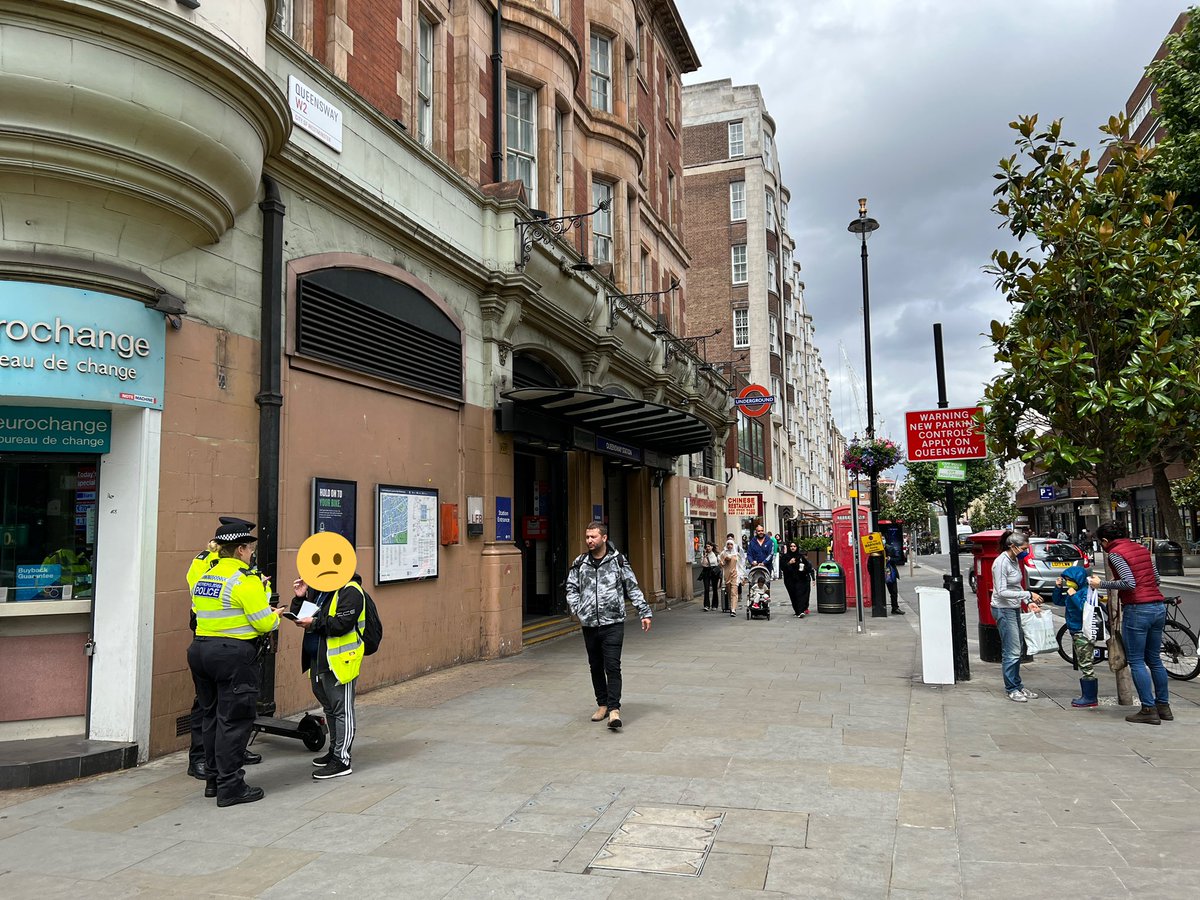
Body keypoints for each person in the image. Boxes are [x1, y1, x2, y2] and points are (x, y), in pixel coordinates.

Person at [188, 520, 279, 806]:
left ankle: (213, 781)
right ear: (240, 549)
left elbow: (199, 608)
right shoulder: (244, 579)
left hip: (201, 650)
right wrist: (274, 612)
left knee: (211, 717)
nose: (251, 554)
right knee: (234, 721)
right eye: (250, 549)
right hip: (232, 656)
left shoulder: (207, 575)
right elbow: (264, 622)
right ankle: (231, 787)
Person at [565, 521, 652, 730]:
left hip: (613, 622)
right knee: (595, 666)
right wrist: (578, 608)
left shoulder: (618, 561)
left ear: (604, 538)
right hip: (589, 624)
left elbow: (632, 587)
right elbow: (571, 587)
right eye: (587, 537)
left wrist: (644, 612)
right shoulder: (580, 562)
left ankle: (614, 710)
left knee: (612, 666)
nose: (589, 540)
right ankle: (602, 704)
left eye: (593, 537)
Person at [1088, 522, 1171, 725]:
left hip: (1138, 609)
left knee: (1136, 661)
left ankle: (1148, 709)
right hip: (1158, 607)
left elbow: (1129, 582)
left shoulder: (1115, 553)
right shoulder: (1141, 549)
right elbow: (1156, 579)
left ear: (1105, 540)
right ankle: (1163, 706)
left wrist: (1101, 584)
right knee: (1154, 659)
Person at [290, 569, 368, 779]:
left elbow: (341, 625)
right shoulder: (320, 589)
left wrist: (314, 623)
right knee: (329, 708)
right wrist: (299, 598)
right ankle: (334, 751)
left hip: (340, 662)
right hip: (318, 659)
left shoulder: (351, 590)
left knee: (342, 710)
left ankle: (342, 760)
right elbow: (303, 616)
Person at [991, 530, 1043, 702]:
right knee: (1012, 651)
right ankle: (1012, 688)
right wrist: (1028, 595)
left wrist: (1028, 602)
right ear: (1012, 546)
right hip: (1003, 609)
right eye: (1024, 548)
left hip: (1013, 608)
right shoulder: (1001, 563)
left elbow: (1016, 586)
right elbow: (1001, 591)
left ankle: (1017, 685)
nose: (1026, 552)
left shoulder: (1014, 560)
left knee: (1017, 648)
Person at [1051, 565, 1099, 708]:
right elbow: (1058, 601)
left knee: (1086, 664)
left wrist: (1073, 595)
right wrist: (1058, 588)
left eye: (1070, 580)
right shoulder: (1073, 591)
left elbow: (1084, 608)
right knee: (1084, 662)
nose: (1068, 583)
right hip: (1074, 630)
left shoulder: (1085, 592)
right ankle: (1087, 696)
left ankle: (1090, 697)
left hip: (1082, 631)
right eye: (1066, 580)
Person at [780, 541, 814, 617]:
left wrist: (803, 569)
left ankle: (801, 611)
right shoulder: (785, 557)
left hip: (800, 579)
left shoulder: (800, 557)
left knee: (800, 594)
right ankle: (797, 611)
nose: (792, 548)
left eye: (794, 546)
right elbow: (782, 567)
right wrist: (789, 563)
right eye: (791, 546)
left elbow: (808, 567)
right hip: (789, 579)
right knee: (793, 595)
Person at [718, 536, 742, 616]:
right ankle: (730, 604)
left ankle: (733, 609)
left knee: (734, 592)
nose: (729, 546)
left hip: (735, 574)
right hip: (726, 575)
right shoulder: (723, 553)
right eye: (728, 544)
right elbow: (721, 564)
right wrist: (724, 560)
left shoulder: (736, 554)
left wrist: (742, 576)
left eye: (731, 544)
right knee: (729, 591)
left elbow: (740, 565)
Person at [884, 543, 905, 615]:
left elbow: (897, 558)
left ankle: (895, 608)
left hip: (890, 573)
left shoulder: (890, 548)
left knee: (893, 591)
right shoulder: (875, 549)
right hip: (879, 573)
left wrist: (890, 559)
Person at [699, 541, 720, 611]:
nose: (708, 548)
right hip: (706, 571)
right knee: (706, 588)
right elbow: (703, 564)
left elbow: (718, 563)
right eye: (706, 546)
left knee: (714, 588)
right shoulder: (704, 554)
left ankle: (714, 605)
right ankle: (706, 605)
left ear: (712, 547)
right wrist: (705, 556)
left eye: (709, 546)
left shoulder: (716, 554)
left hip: (714, 571)